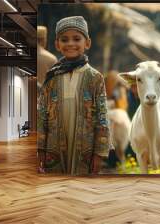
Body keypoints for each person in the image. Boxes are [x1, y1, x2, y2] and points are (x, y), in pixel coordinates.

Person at [38, 16, 112, 175]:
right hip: (54, 148)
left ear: (87, 43)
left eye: (76, 38)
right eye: (64, 39)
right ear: (57, 44)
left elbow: (102, 116)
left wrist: (99, 154)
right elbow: (42, 113)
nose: (70, 43)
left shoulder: (95, 77)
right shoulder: (51, 78)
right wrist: (41, 148)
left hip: (86, 149)